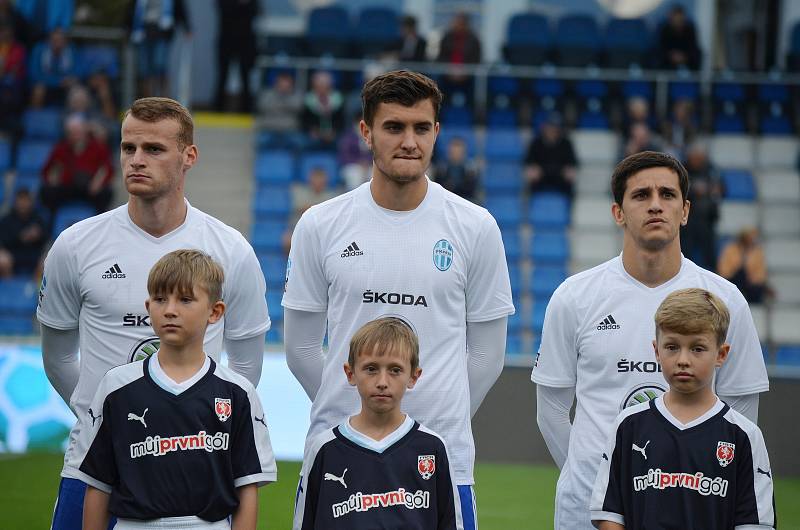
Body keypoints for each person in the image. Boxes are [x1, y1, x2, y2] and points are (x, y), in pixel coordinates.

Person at [283, 70, 514, 529]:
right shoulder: (320, 224)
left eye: (421, 127)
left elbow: (488, 353)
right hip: (338, 455)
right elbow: (301, 348)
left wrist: (422, 421)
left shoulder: (476, 226)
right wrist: (357, 413)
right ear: (366, 132)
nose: (409, 140)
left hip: (442, 457)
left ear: (436, 133)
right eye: (394, 127)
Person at [38, 97, 271, 530]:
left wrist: (198, 422)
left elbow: (246, 365)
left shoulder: (231, 250)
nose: (136, 160)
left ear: (189, 156)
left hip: (192, 459)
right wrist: (104, 419)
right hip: (93, 463)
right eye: (129, 148)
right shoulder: (75, 246)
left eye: (154, 149)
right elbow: (57, 356)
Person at [531, 150, 769, 530]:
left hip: (689, 505)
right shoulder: (574, 297)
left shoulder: (726, 300)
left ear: (685, 210)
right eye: (641, 196)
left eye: (667, 195)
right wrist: (598, 479)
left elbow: (740, 415)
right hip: (585, 511)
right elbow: (552, 412)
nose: (655, 205)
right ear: (618, 213)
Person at [69, 249, 277, 530]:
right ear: (148, 306)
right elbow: (98, 484)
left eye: (185, 299)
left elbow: (247, 487)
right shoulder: (116, 388)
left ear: (215, 312)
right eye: (160, 299)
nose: (169, 309)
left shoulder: (237, 392)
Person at [590, 288, 775, 530]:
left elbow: (755, 523)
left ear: (721, 354)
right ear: (656, 351)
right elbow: (609, 515)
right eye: (672, 347)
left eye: (697, 348)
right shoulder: (629, 425)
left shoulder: (743, 435)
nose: (683, 360)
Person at [293, 316, 462, 529]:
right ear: (350, 373)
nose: (382, 382)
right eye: (371, 369)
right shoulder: (324, 449)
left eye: (395, 370)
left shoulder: (432, 447)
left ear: (414, 376)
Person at [40, 113, 115, 216]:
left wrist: (99, 182)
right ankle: (52, 223)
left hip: (90, 188)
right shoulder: (60, 148)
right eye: (72, 133)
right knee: (46, 191)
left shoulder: (98, 147)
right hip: (66, 187)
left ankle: (100, 225)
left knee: (106, 193)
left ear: (85, 132)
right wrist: (52, 178)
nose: (75, 136)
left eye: (78, 132)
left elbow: (108, 169)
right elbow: (47, 170)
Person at [681, 142, 721, 270]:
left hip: (708, 219)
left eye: (700, 158)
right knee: (685, 255)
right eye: (695, 157)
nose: (698, 161)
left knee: (710, 257)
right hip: (688, 221)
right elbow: (677, 189)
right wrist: (694, 190)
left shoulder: (711, 169)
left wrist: (714, 189)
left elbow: (722, 187)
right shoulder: (682, 169)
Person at [214, 0, 258, 112]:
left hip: (246, 42)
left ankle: (246, 109)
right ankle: (218, 108)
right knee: (222, 75)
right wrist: (240, 3)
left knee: (246, 76)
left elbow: (255, 11)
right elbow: (224, 9)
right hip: (226, 40)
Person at [523, 112, 577, 199]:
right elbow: (528, 161)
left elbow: (573, 161)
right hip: (541, 176)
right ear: (544, 127)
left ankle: (567, 209)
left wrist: (569, 170)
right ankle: (533, 209)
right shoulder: (536, 142)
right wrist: (532, 169)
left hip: (560, 176)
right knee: (531, 182)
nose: (552, 130)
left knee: (570, 184)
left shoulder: (566, 143)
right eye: (550, 127)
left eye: (555, 127)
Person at [0, 188, 47, 278]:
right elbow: (4, 240)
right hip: (12, 254)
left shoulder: (38, 218)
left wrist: (38, 235)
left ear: (31, 202)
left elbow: (46, 238)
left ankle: (36, 290)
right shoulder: (6, 220)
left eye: (26, 200)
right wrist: (21, 237)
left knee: (47, 260)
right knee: (2, 260)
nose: (23, 204)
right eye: (20, 200)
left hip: (35, 254)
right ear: (15, 202)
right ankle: (9, 288)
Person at [717, 227, 769, 304]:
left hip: (750, 283)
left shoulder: (757, 251)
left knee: (757, 289)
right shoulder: (731, 249)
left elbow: (761, 273)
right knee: (740, 274)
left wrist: (752, 279)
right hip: (733, 279)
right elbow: (723, 269)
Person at [301, 70, 345, 149]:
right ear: (314, 85)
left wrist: (334, 132)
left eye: (325, 84)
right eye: (319, 84)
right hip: (313, 135)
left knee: (343, 143)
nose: (322, 87)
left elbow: (341, 120)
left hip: (333, 134)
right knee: (302, 142)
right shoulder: (308, 99)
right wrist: (313, 131)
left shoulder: (338, 99)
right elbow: (304, 121)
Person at [433, 136, 479, 202]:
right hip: (445, 202)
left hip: (465, 202)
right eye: (453, 151)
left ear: (463, 152)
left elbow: (471, 190)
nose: (456, 153)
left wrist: (452, 186)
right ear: (449, 152)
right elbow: (438, 187)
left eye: (458, 151)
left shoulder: (470, 169)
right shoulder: (442, 168)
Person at [658, 4, 701, 70]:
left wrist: (684, 57)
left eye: (680, 19)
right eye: (676, 18)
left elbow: (693, 46)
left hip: (686, 58)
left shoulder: (690, 29)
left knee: (697, 54)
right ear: (671, 18)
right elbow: (662, 47)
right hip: (669, 59)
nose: (678, 21)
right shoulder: (665, 29)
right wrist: (672, 56)